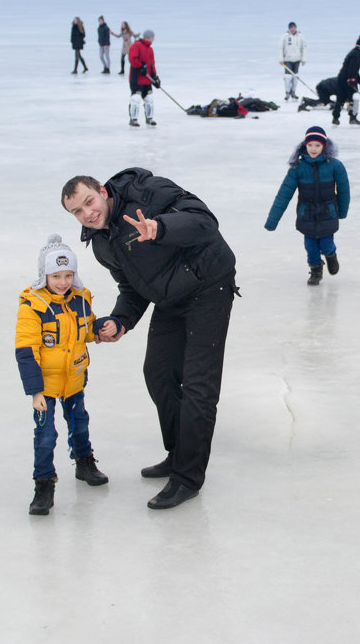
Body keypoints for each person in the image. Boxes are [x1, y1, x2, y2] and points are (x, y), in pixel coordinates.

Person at [61, 170, 237, 510]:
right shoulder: (102, 242)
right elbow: (132, 287)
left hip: (209, 283)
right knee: (157, 373)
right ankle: (178, 454)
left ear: (102, 191)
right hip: (172, 297)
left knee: (199, 384)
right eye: (78, 212)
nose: (88, 214)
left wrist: (162, 228)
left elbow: (204, 221)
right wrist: (120, 320)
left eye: (89, 202)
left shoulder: (145, 191)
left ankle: (187, 478)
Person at [15, 234, 110, 516]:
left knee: (79, 422)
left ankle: (84, 462)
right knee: (45, 436)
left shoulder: (81, 298)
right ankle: (44, 482)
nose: (63, 282)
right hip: (46, 386)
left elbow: (88, 330)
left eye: (68, 274)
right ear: (44, 274)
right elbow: (26, 351)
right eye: (56, 275)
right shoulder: (32, 306)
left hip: (75, 377)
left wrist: (104, 328)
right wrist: (35, 391)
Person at [264, 126, 350, 285]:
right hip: (307, 214)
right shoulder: (298, 168)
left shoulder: (335, 166)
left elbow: (344, 189)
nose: (314, 149)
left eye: (317, 145)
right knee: (310, 247)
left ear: (324, 146)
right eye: (310, 145)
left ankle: (331, 255)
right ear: (304, 145)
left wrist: (342, 211)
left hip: (328, 213)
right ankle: (316, 270)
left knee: (326, 243)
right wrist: (272, 220)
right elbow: (284, 194)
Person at [127, 29, 160, 127]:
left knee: (149, 99)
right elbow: (132, 58)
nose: (153, 39)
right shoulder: (137, 45)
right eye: (153, 37)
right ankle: (133, 119)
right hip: (136, 79)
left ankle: (149, 118)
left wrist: (155, 78)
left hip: (147, 80)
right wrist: (140, 66)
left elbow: (152, 65)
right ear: (149, 37)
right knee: (136, 99)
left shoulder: (150, 50)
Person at [334, 36, 360, 126]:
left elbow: (354, 71)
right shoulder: (356, 55)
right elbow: (352, 70)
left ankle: (335, 118)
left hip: (342, 78)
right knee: (354, 98)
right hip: (348, 79)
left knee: (340, 98)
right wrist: (352, 80)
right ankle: (353, 117)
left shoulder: (354, 53)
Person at [280, 22, 307, 101]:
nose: (292, 29)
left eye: (293, 27)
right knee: (288, 77)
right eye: (291, 28)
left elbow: (304, 48)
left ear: (296, 28)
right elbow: (280, 48)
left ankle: (293, 92)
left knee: (295, 77)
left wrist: (303, 59)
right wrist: (281, 59)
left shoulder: (300, 37)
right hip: (287, 59)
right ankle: (287, 92)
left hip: (297, 59)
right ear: (289, 28)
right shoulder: (285, 37)